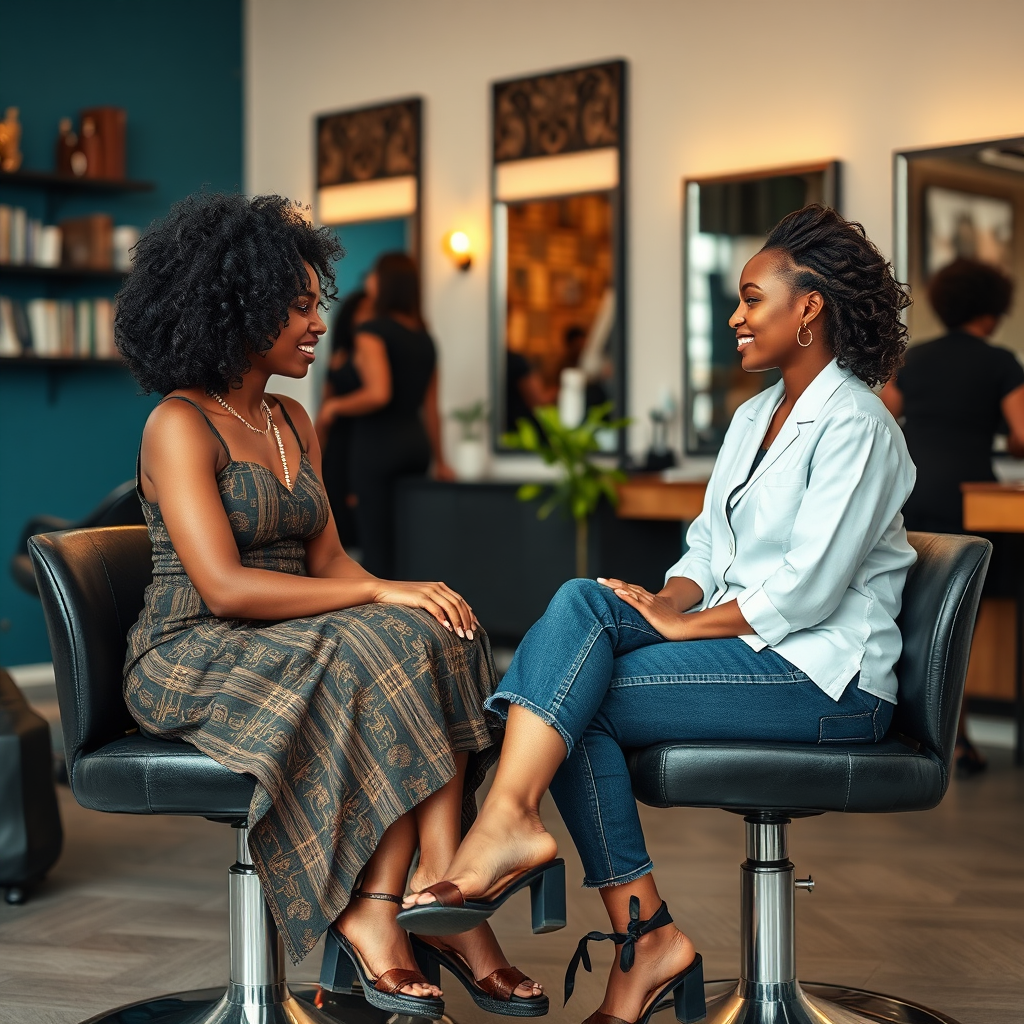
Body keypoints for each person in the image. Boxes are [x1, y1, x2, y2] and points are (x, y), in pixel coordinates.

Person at [398, 205, 916, 1024]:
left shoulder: (858, 424)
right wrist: (665, 600)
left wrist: (682, 628)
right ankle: (608, 909)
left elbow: (808, 592)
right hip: (757, 653)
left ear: (809, 308)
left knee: (574, 696)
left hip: (829, 682)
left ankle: (581, 887)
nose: (736, 318)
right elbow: (707, 550)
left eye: (751, 300)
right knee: (585, 608)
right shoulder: (754, 418)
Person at [113, 193, 545, 1019]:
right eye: (301, 305)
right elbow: (225, 588)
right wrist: (379, 591)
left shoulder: (290, 419)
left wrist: (398, 595)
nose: (319, 324)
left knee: (443, 630)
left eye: (321, 303)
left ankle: (438, 884)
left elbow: (330, 561)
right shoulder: (179, 423)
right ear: (236, 305)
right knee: (373, 639)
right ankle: (375, 915)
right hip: (191, 650)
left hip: (286, 632)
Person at [881, 257, 1024, 774]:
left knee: (907, 612)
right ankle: (955, 738)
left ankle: (903, 725)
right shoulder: (1001, 361)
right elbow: (1023, 433)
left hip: (912, 493)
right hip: (969, 500)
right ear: (992, 310)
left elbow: (880, 412)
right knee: (955, 621)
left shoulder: (914, 359)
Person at [316, 252, 454, 578]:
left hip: (378, 447)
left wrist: (334, 407)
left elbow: (378, 393)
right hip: (415, 447)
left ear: (387, 284)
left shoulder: (371, 331)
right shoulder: (426, 338)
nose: (369, 282)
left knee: (376, 548)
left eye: (375, 276)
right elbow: (432, 408)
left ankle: (384, 625)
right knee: (408, 545)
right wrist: (441, 459)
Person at [317, 287, 373, 547]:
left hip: (362, 436)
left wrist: (337, 407)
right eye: (364, 312)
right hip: (338, 443)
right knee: (334, 509)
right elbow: (324, 407)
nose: (369, 318)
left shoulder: (371, 354)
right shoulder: (338, 357)